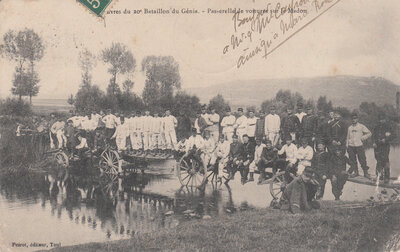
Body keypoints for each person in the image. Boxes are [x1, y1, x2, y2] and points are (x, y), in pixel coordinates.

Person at [346, 113, 372, 178]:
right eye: (352, 119)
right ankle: (356, 172)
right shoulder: (350, 128)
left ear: (357, 119)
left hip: (359, 145)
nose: (353, 120)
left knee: (362, 159)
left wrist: (363, 138)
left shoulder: (361, 126)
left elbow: (369, 133)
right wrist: (347, 145)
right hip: (351, 146)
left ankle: (366, 173)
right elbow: (347, 137)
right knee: (352, 160)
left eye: (355, 118)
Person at [373, 114, 395, 183]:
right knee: (378, 161)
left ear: (385, 120)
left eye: (382, 119)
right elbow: (373, 136)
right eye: (380, 119)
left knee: (385, 161)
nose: (381, 121)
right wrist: (373, 143)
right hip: (377, 147)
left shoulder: (388, 127)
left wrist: (386, 140)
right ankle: (379, 176)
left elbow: (394, 135)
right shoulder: (376, 127)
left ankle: (387, 177)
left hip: (385, 146)